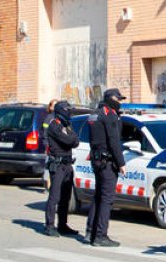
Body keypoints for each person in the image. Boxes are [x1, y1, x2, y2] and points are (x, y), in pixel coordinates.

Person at [86, 88, 127, 247]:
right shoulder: (109, 115)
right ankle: (100, 236)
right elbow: (113, 141)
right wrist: (121, 163)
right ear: (111, 99)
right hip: (107, 162)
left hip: (97, 159)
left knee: (98, 196)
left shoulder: (95, 113)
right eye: (119, 99)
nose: (120, 102)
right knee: (107, 199)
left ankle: (91, 231)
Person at [44, 100, 80, 238]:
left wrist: (71, 138)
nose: (70, 112)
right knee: (55, 196)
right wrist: (71, 139)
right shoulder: (54, 125)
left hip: (67, 164)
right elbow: (69, 141)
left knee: (66, 197)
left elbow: (75, 141)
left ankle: (63, 224)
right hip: (58, 165)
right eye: (68, 110)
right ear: (61, 111)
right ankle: (50, 225)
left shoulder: (66, 125)